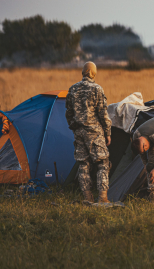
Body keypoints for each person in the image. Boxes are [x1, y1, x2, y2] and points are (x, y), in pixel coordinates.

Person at [65, 62, 113, 203]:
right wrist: (108, 132)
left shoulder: (72, 89)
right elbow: (103, 113)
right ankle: (103, 198)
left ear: (83, 72)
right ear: (94, 73)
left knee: (83, 165)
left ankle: (87, 197)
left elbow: (68, 113)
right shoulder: (97, 89)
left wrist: (74, 127)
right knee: (103, 164)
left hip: (78, 132)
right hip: (95, 132)